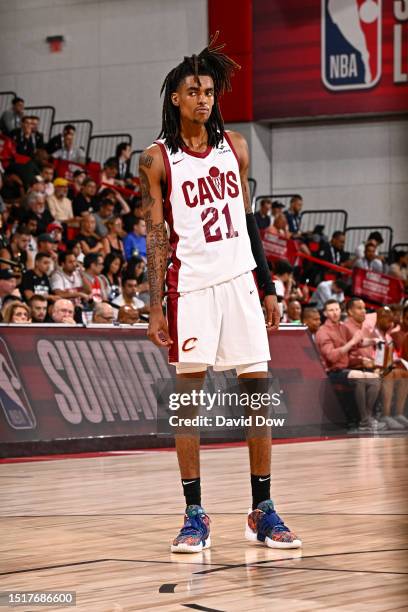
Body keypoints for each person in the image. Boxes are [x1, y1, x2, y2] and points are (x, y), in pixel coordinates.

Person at [141, 35, 300, 553]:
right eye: (193, 91)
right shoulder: (156, 159)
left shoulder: (237, 147)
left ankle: (263, 510)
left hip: (240, 284)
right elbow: (157, 235)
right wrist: (155, 305)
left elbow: (248, 220)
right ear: (175, 99)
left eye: (208, 90)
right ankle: (193, 513)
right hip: (191, 288)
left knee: (257, 393)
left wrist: (268, 286)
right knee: (188, 401)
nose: (203, 99)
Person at [315, 300, 383, 433]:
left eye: (337, 309)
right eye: (331, 310)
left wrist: (373, 341)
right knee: (358, 376)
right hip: (331, 372)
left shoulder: (342, 327)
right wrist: (351, 342)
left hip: (344, 370)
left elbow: (359, 343)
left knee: (375, 378)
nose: (335, 313)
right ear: (325, 313)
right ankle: (363, 420)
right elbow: (332, 357)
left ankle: (367, 416)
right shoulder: (322, 332)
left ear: (341, 311)